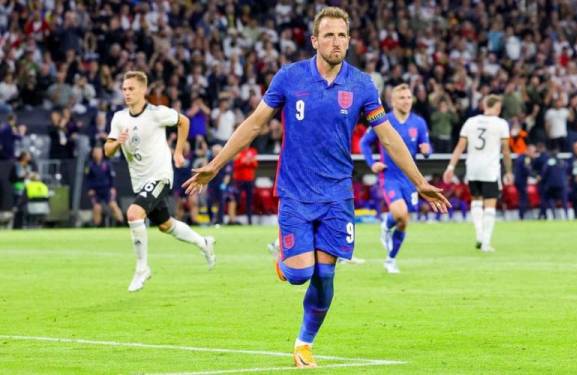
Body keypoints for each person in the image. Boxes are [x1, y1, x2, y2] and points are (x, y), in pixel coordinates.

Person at [183, 7, 449, 368]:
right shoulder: (290, 78)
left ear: (349, 40)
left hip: (338, 196)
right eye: (329, 35)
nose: (336, 41)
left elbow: (387, 137)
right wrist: (215, 165)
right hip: (295, 193)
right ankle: (284, 261)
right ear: (314, 41)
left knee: (325, 275)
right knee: (300, 274)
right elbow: (254, 124)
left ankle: (303, 344)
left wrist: (420, 182)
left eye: (342, 35)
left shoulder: (361, 85)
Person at [104, 71, 216, 293]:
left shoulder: (156, 114)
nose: (126, 93)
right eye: (124, 89)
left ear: (143, 90)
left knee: (134, 214)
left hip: (160, 175)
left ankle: (142, 268)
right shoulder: (119, 118)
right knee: (165, 225)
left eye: (131, 89)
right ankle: (204, 243)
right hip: (140, 180)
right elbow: (107, 150)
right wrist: (118, 143)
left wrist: (178, 151)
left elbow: (184, 121)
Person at [359, 84, 431, 274]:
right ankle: (388, 232)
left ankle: (390, 257)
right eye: (402, 98)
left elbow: (426, 145)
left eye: (409, 97)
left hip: (410, 179)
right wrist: (372, 163)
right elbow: (364, 143)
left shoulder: (419, 123)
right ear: (392, 101)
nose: (406, 101)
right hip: (390, 175)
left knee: (403, 221)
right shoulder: (383, 121)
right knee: (401, 212)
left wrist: (426, 151)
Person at [443, 95, 513, 252]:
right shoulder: (501, 124)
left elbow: (460, 147)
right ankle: (486, 243)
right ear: (495, 107)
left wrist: (450, 167)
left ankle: (480, 235)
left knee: (476, 201)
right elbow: (506, 151)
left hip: (473, 168)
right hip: (490, 169)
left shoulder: (471, 122)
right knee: (490, 204)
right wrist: (508, 171)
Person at [85, 145, 124, 226]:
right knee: (97, 208)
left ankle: (121, 223)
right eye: (96, 152)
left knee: (113, 205)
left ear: (102, 153)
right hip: (95, 191)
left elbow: (112, 177)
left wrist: (112, 187)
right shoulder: (89, 165)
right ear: (93, 154)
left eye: (99, 152)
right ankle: (97, 226)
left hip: (107, 189)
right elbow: (87, 179)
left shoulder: (107, 164)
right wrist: (89, 189)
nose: (97, 154)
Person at [514, 144, 537, 219]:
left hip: (518, 180)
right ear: (528, 151)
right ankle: (522, 216)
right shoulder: (526, 159)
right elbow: (527, 170)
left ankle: (523, 214)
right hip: (521, 181)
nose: (534, 154)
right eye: (533, 152)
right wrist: (535, 176)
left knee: (523, 198)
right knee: (523, 198)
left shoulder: (520, 157)